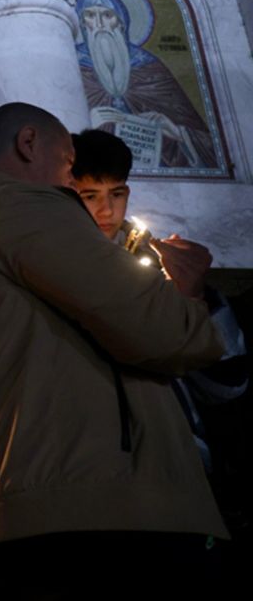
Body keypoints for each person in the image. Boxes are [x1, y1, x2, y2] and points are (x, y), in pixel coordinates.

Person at [0, 102, 227, 597]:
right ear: (29, 142)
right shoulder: (21, 206)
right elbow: (164, 331)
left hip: (21, 511)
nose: (71, 184)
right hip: (91, 517)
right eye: (66, 162)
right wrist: (189, 297)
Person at [71, 128, 248, 523]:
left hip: (185, 464)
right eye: (90, 196)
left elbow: (226, 384)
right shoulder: (59, 270)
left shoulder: (157, 265)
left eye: (116, 194)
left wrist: (198, 299)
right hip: (103, 480)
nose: (106, 211)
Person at [75, 0, 216, 169]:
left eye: (107, 15)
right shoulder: (71, 62)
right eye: (90, 15)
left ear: (121, 22)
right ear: (83, 22)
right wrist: (86, 121)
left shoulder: (148, 65)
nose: (99, 24)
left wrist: (177, 131)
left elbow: (208, 145)